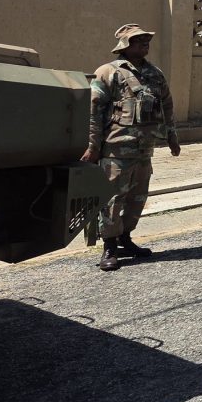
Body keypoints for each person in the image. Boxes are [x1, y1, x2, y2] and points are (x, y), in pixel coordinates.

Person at [81, 24, 180, 272]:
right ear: (125, 45)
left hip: (144, 149)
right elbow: (94, 112)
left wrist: (172, 136)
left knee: (137, 198)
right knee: (113, 199)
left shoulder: (155, 73)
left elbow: (167, 105)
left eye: (147, 40)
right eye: (139, 40)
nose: (145, 43)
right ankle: (109, 247)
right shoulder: (108, 72)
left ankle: (125, 238)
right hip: (116, 149)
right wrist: (92, 145)